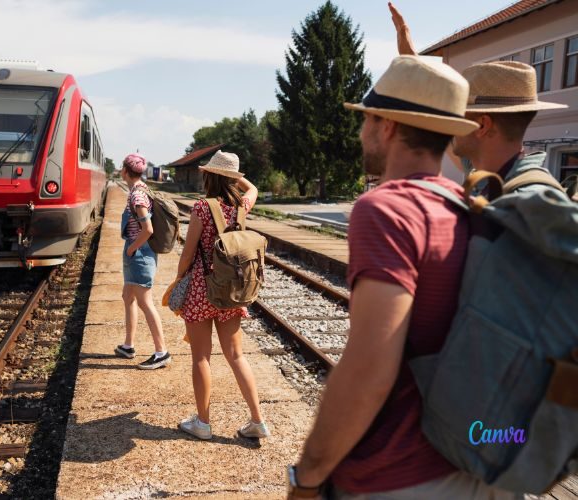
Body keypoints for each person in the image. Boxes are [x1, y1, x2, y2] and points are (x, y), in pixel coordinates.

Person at [288, 56, 526, 500]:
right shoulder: (471, 205)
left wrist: (308, 476)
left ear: (387, 125)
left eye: (366, 120)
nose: (362, 133)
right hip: (483, 462)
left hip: (403, 477)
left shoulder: (387, 209)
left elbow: (369, 371)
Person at [389, 2, 568, 190]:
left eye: (459, 116)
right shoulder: (484, 172)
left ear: (482, 125)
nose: (452, 124)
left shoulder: (532, 202)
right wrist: (413, 64)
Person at [174, 151, 268, 441]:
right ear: (231, 179)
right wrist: (238, 178)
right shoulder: (242, 205)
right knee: (236, 355)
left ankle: (202, 423)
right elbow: (252, 189)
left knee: (201, 357)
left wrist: (178, 282)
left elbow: (188, 255)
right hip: (232, 290)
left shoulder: (202, 208)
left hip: (203, 290)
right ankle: (257, 421)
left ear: (209, 176)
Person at [116, 153, 171, 370]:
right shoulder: (140, 190)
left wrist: (131, 248)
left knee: (145, 302)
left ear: (125, 171)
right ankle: (128, 345)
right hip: (137, 252)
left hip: (139, 253)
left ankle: (161, 352)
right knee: (127, 296)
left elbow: (148, 230)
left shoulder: (137, 196)